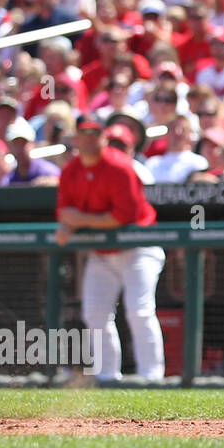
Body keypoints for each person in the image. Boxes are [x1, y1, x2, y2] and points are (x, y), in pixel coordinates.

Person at [55, 115, 166, 382]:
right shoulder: (71, 171)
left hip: (138, 247)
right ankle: (106, 378)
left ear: (103, 137)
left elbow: (121, 217)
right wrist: (72, 222)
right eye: (84, 134)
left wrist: (79, 220)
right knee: (94, 313)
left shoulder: (120, 166)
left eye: (95, 134)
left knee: (139, 312)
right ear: (76, 138)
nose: (90, 140)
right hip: (102, 252)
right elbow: (64, 212)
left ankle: (152, 378)